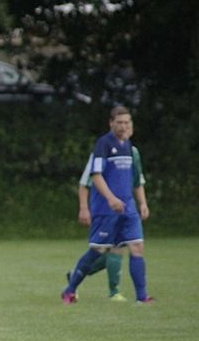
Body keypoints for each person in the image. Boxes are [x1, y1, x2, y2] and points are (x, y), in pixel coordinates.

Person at [62, 105, 153, 305]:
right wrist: (107, 200)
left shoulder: (131, 148)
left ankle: (142, 297)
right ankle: (70, 289)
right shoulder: (103, 145)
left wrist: (142, 203)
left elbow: (136, 181)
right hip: (105, 209)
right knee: (98, 251)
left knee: (136, 246)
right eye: (119, 122)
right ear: (111, 123)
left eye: (127, 122)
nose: (123, 126)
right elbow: (94, 176)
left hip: (128, 208)